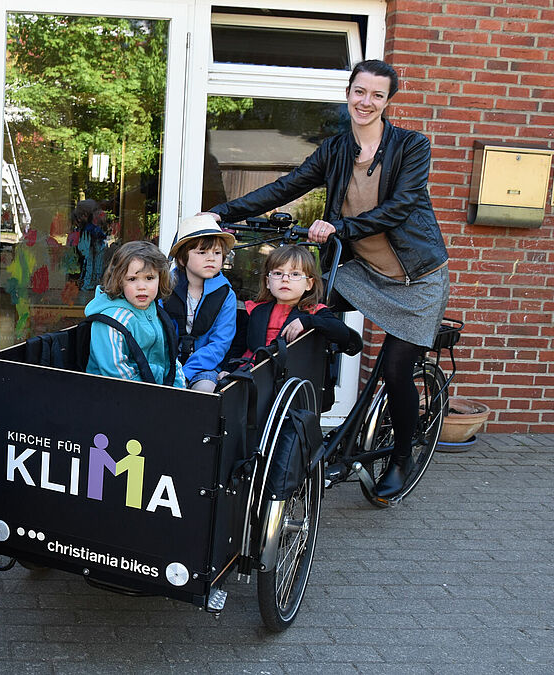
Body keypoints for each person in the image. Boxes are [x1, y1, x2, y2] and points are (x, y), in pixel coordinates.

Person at [204, 59, 449, 498]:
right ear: (349, 93)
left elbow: (403, 205)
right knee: (301, 318)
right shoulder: (336, 149)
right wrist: (222, 212)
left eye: (377, 94)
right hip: (363, 270)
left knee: (395, 369)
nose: (366, 101)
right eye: (360, 91)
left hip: (417, 279)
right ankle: (312, 416)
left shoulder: (412, 146)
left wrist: (341, 228)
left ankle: (400, 457)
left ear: (388, 100)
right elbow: (289, 185)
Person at [226, 246, 361, 369]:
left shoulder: (314, 312)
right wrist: (227, 370)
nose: (285, 279)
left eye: (295, 274)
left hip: (291, 378)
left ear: (309, 284)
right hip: (249, 374)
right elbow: (237, 348)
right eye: (278, 273)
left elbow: (343, 334)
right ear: (268, 282)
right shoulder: (253, 310)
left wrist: (308, 321)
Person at [85, 240, 186, 387]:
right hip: (114, 397)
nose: (142, 287)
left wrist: (179, 391)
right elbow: (117, 374)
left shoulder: (157, 313)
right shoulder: (111, 321)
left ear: (160, 278)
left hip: (155, 393)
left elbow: (170, 361)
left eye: (149, 278)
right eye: (132, 279)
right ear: (119, 281)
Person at [161, 215, 238, 392]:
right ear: (182, 259)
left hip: (204, 367)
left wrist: (185, 374)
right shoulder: (165, 288)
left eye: (217, 253)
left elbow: (219, 344)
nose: (211, 258)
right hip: (167, 361)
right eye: (202, 253)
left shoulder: (226, 295)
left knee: (204, 391)